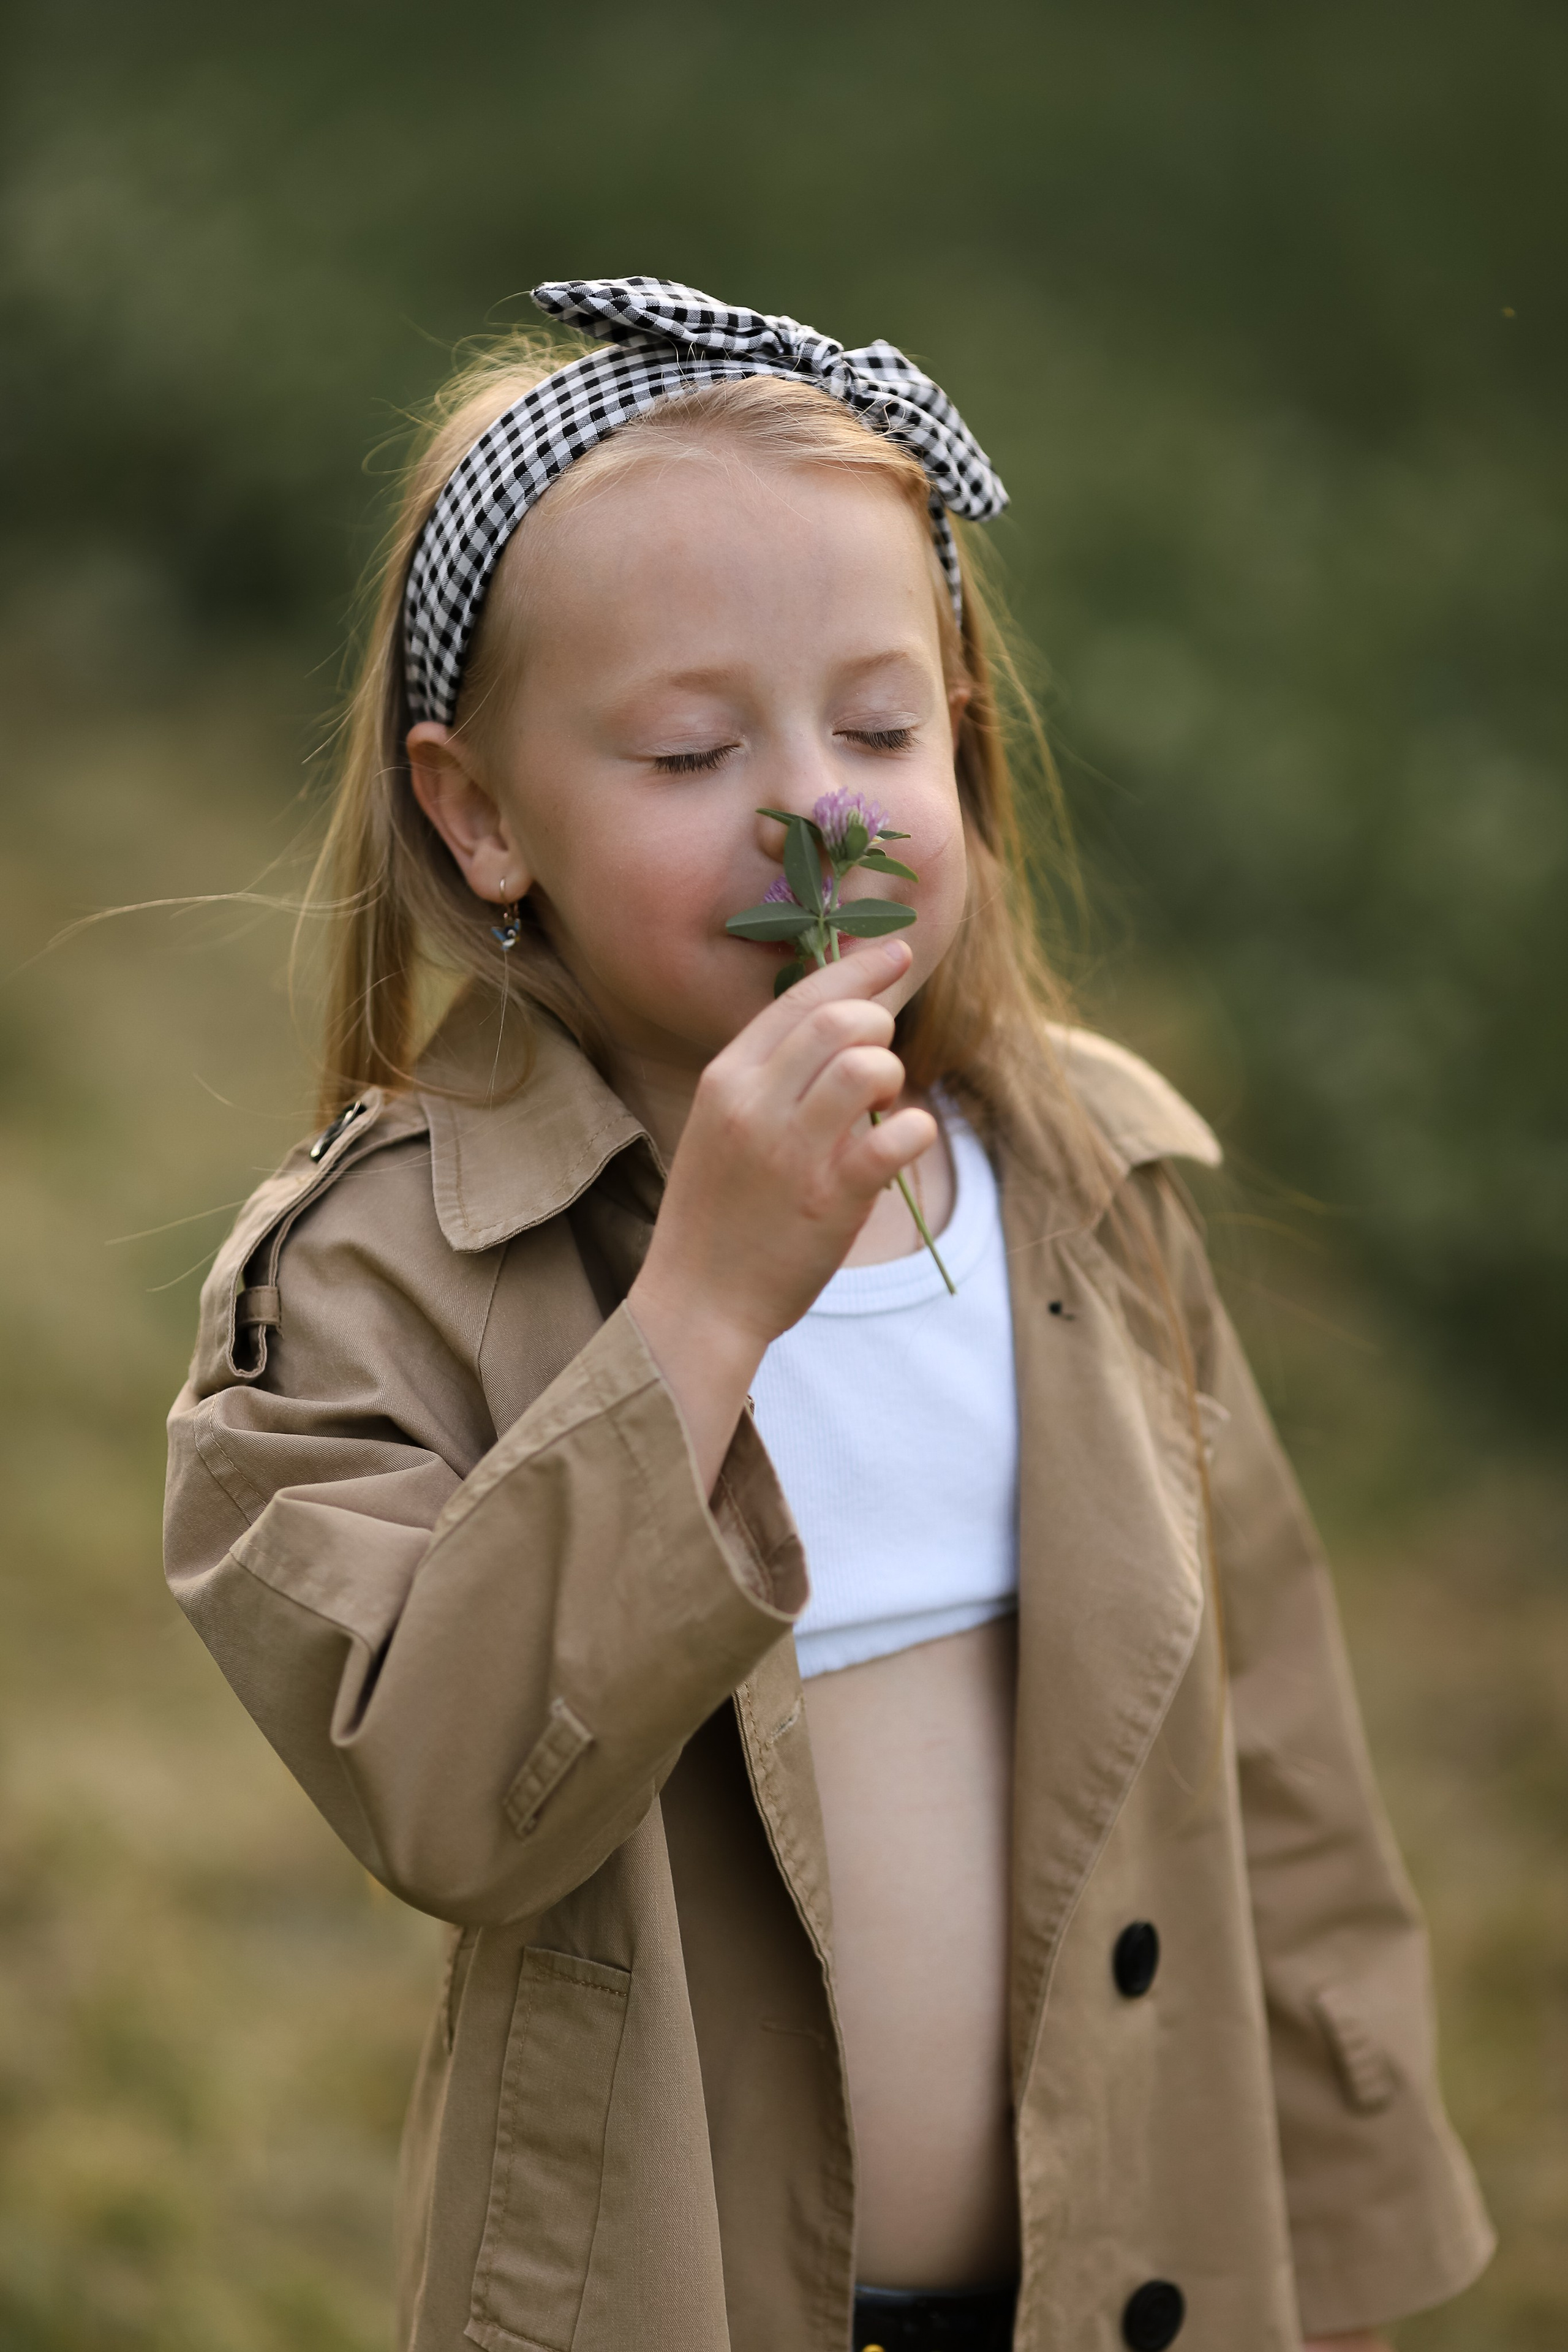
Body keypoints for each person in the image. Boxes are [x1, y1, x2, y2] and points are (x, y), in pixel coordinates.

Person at [164, 279, 1492, 2352]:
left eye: (881, 729)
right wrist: (696, 1311)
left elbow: (1275, 1756)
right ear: (483, 812)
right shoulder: (373, 1280)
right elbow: (440, 1793)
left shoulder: (1089, 1189)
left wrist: (1338, 2241)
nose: (819, 815)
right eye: (697, 750)